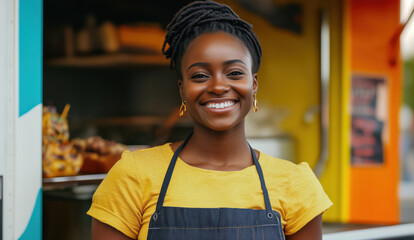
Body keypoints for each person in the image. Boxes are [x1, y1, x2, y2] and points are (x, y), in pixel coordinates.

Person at [88, 1, 332, 239]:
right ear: (182, 90)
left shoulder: (295, 184)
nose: (218, 86)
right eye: (200, 75)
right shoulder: (133, 176)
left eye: (234, 73)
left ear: (254, 84)